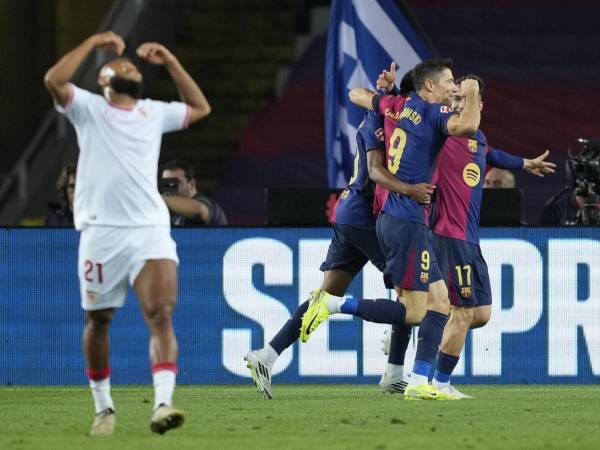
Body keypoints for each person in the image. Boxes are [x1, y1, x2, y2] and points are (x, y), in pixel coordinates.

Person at [44, 30, 211, 435]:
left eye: (134, 66)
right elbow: (54, 79)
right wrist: (92, 43)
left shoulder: (153, 112)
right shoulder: (87, 108)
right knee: (99, 321)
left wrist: (170, 60)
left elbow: (200, 107)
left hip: (149, 229)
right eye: (123, 65)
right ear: (103, 79)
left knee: (161, 314)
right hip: (101, 232)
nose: (131, 67)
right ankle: (104, 408)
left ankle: (163, 404)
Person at [301, 58, 483, 400]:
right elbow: (468, 125)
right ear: (429, 86)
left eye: (456, 85)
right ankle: (332, 305)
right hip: (406, 219)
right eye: (448, 82)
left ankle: (418, 382)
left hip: (398, 217)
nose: (453, 88)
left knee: (440, 301)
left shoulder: (397, 105)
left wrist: (382, 91)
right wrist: (472, 91)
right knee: (414, 311)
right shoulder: (431, 114)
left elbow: (356, 94)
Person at [244, 110, 432, 399]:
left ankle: (266, 355)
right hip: (368, 217)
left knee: (326, 294)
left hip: (348, 212)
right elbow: (377, 170)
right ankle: (394, 370)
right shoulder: (393, 124)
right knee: (409, 297)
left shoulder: (376, 119)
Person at [422, 75, 555, 397]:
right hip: (448, 234)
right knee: (463, 312)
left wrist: (525, 163)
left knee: (479, 314)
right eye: (453, 99)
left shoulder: (476, 138)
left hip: (469, 238)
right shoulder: (443, 132)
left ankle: (419, 327)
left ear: (480, 107)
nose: (457, 104)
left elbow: (491, 154)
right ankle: (437, 383)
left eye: (464, 100)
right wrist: (466, 93)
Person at [161, 160, 227, 226]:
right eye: (166, 183)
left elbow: (200, 209)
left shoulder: (206, 203)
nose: (170, 187)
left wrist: (159, 198)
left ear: (192, 184)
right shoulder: (176, 216)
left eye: (176, 182)